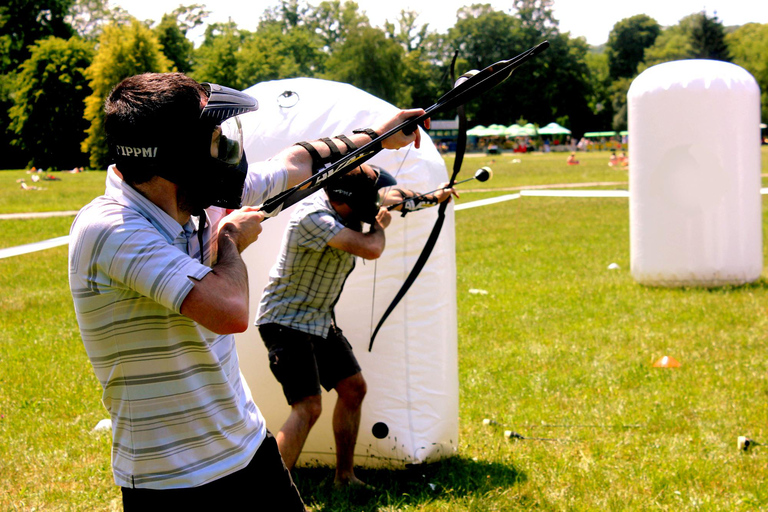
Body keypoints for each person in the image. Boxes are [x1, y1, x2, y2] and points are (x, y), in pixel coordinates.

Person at [67, 72, 425, 510]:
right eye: (214, 138)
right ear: (176, 155)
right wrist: (230, 241)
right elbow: (229, 310)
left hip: (250, 451)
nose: (226, 150)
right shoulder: (112, 229)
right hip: (172, 480)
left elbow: (295, 164)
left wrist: (380, 135)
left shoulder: (194, 199)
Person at [255, 165, 456, 488]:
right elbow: (371, 248)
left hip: (317, 319)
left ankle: (344, 478)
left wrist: (435, 197)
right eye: (369, 200)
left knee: (353, 388)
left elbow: (394, 197)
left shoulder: (345, 205)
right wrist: (380, 227)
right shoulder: (313, 218)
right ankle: (270, 494)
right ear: (351, 199)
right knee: (307, 407)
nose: (375, 204)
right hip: (285, 322)